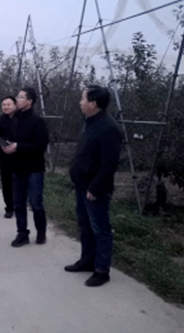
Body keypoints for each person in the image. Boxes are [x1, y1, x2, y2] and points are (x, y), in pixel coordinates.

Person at [64, 85, 122, 287]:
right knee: (85, 226)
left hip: (95, 188)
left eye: (83, 99)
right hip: (82, 184)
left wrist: (95, 187)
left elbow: (109, 164)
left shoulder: (109, 128)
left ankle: (102, 270)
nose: (80, 103)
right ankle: (87, 261)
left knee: (100, 229)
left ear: (93, 103)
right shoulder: (89, 123)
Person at [2, 88, 49, 247]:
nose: (18, 99)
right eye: (18, 96)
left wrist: (18, 147)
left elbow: (40, 146)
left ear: (30, 101)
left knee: (36, 202)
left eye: (21, 97)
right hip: (17, 167)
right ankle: (22, 233)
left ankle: (41, 231)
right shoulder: (14, 120)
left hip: (34, 168)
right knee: (19, 203)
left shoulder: (38, 122)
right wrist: (6, 145)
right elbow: (8, 137)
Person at [0, 96, 17, 218]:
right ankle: (9, 207)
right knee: (6, 182)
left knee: (19, 182)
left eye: (8, 104)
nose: (6, 107)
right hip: (4, 156)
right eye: (4, 105)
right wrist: (2, 144)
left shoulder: (21, 119)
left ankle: (20, 204)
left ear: (15, 105)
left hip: (20, 155)